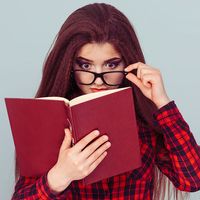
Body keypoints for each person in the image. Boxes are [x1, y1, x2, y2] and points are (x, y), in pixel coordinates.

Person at [12, 3, 200, 200]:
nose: (99, 80)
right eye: (85, 65)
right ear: (70, 65)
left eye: (111, 65)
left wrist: (162, 103)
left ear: (128, 62)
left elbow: (192, 179)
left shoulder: (144, 121)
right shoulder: (49, 120)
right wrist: (59, 177)